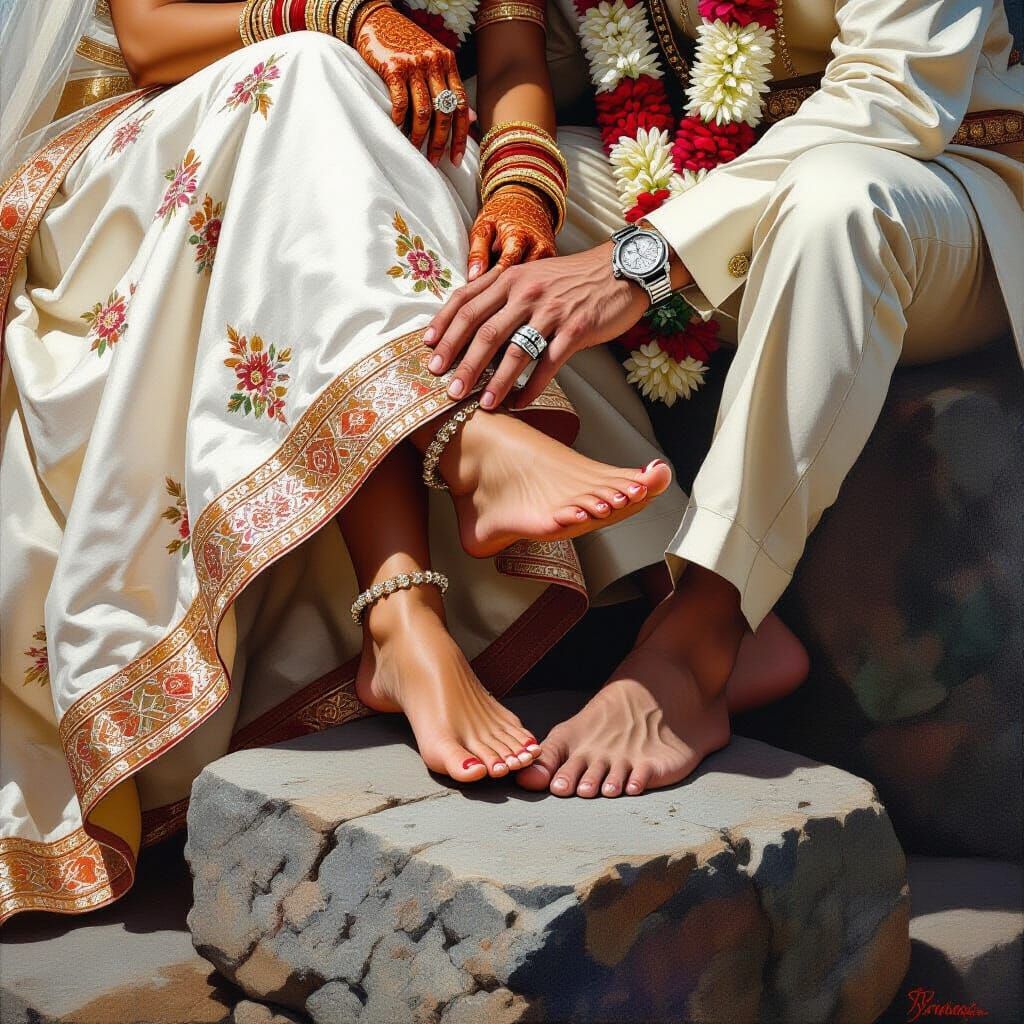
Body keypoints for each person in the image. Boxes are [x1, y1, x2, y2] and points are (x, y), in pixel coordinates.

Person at [0, 0, 810, 924]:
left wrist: (519, 190)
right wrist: (349, 17)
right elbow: (150, 35)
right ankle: (478, 469)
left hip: (347, 145)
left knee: (406, 149)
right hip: (157, 151)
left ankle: (410, 623)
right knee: (314, 78)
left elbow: (509, 52)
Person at [425, 0, 1023, 798]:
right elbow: (564, 50)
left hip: (935, 185)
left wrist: (634, 266)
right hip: (708, 178)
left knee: (833, 200)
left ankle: (706, 633)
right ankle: (651, 551)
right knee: (476, 177)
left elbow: (893, 97)